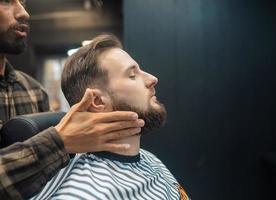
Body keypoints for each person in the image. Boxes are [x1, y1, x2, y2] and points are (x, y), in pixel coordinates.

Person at [0, 1, 144, 199]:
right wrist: (59, 142)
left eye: (23, 2)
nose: (24, 13)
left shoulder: (33, 90)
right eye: (5, 1)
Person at [31, 34, 190, 200]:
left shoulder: (150, 160)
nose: (152, 79)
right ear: (98, 101)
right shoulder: (86, 193)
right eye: (132, 75)